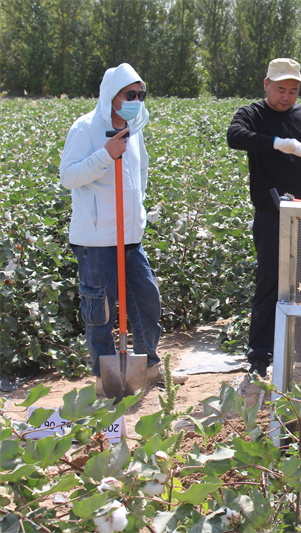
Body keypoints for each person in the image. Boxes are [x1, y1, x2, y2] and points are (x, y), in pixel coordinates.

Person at [59, 63, 184, 393]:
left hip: (129, 238)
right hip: (96, 240)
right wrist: (104, 155)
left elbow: (140, 173)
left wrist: (137, 212)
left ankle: (151, 369)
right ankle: (106, 379)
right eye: (130, 94)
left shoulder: (135, 128)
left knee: (146, 301)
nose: (136, 100)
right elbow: (68, 176)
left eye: (140, 94)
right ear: (111, 96)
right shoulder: (85, 128)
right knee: (98, 310)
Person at [227, 58, 301, 377]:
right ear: (266, 85)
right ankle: (260, 355)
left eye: (293, 91)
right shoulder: (252, 114)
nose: (287, 97)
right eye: (281, 90)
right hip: (272, 216)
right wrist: (276, 144)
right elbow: (234, 137)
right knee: (270, 281)